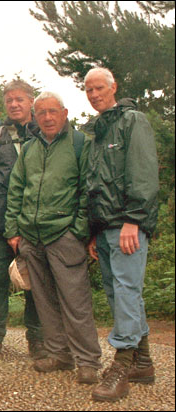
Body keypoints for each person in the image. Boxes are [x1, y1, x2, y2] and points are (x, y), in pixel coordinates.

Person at [4, 91, 102, 384]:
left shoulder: (80, 144)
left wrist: (78, 232)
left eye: (52, 111)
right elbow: (16, 189)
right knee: (45, 301)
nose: (47, 117)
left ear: (65, 113)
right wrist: (13, 230)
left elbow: (88, 191)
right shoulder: (31, 148)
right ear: (35, 116)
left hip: (64, 236)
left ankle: (88, 361)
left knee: (76, 302)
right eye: (42, 112)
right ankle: (60, 355)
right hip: (31, 238)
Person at [82, 68, 159, 402]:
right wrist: (94, 231)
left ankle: (122, 365)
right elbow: (95, 184)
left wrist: (134, 220)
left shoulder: (133, 120)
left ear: (114, 87)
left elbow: (142, 172)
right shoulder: (97, 130)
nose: (94, 93)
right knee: (119, 294)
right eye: (88, 89)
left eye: (99, 87)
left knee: (127, 292)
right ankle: (142, 363)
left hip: (128, 225)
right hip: (106, 228)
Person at [0, 80, 46, 359]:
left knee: (35, 284)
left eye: (20, 100)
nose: (14, 105)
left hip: (33, 226)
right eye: (9, 100)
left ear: (31, 102)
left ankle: (37, 339)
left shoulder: (45, 133)